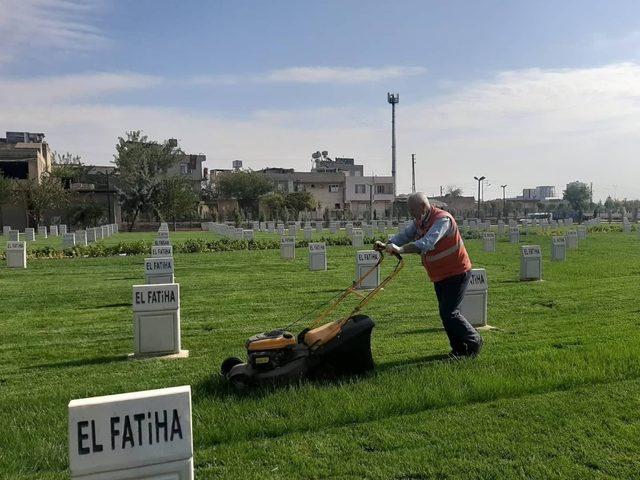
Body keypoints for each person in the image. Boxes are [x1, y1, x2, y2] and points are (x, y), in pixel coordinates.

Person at [375, 192, 483, 358]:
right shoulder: (419, 221)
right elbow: (404, 235)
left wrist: (401, 250)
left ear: (423, 207)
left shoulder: (442, 220)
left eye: (412, 210)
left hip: (457, 271)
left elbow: (427, 243)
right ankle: (458, 350)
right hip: (440, 274)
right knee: (445, 313)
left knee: (449, 312)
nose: (411, 214)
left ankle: (474, 341)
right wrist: (387, 245)